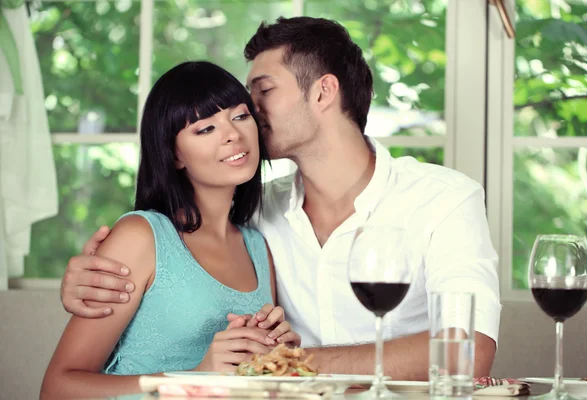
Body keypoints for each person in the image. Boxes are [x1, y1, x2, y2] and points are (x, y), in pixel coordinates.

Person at [58, 17, 501, 381]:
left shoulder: (443, 200)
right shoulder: (259, 213)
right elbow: (166, 242)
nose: (248, 112)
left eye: (261, 92)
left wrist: (286, 364)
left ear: (323, 92)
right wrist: (86, 276)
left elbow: (467, 352)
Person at [40, 61, 301, 399]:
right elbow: (57, 388)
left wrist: (279, 358)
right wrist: (196, 378)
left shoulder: (257, 247)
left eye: (240, 116)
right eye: (205, 129)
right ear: (175, 154)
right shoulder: (141, 237)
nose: (233, 135)